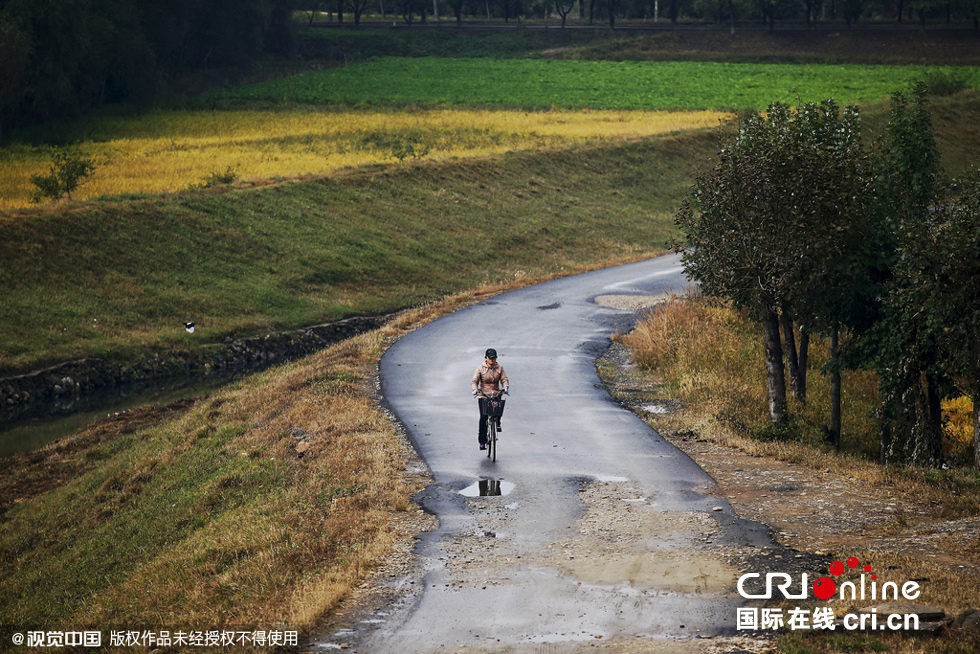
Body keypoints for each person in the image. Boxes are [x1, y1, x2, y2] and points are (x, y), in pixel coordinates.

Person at [471, 348, 509, 450]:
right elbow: (474, 381)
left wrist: (505, 388)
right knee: (483, 417)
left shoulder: (500, 368)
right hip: (484, 395)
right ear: (486, 358)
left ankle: (498, 422)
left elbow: (504, 379)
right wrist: (475, 389)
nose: (492, 360)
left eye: (494, 358)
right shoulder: (480, 369)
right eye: (490, 358)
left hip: (495, 394)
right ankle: (482, 441)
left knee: (498, 410)